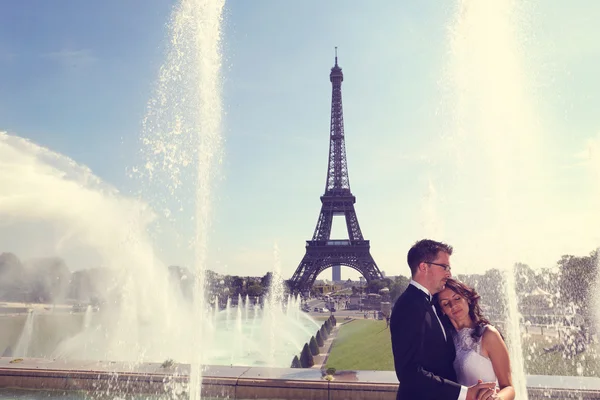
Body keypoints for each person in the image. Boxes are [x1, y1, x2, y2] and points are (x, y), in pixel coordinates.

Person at [390, 239, 496, 400]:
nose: (449, 273)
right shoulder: (409, 306)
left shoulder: (432, 305)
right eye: (444, 267)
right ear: (424, 267)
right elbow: (409, 372)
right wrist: (465, 393)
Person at [436, 279, 515, 400]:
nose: (453, 305)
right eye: (446, 303)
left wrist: (497, 398)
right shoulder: (446, 339)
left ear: (467, 298)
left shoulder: (488, 334)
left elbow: (509, 388)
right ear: (442, 310)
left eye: (457, 298)